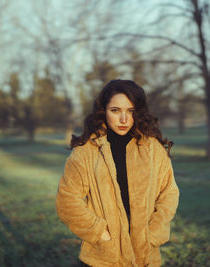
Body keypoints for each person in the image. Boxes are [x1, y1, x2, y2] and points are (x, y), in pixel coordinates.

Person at [56, 79, 179, 267]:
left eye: (130, 111)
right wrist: (99, 233)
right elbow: (67, 199)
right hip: (102, 257)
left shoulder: (153, 148)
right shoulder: (86, 151)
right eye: (115, 110)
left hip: (145, 256)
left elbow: (169, 193)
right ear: (103, 111)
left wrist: (153, 235)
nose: (124, 119)